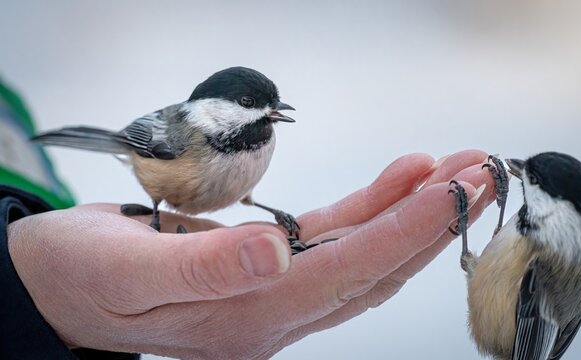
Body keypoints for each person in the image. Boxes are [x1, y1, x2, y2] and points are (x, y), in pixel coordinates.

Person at [1, 78, 497, 359]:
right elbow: (143, 142)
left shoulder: (262, 137)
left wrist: (267, 211)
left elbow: (241, 179)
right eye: (249, 105)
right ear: (213, 109)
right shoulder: (186, 133)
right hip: (164, 188)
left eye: (268, 105)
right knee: (162, 206)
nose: (266, 113)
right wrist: (155, 222)